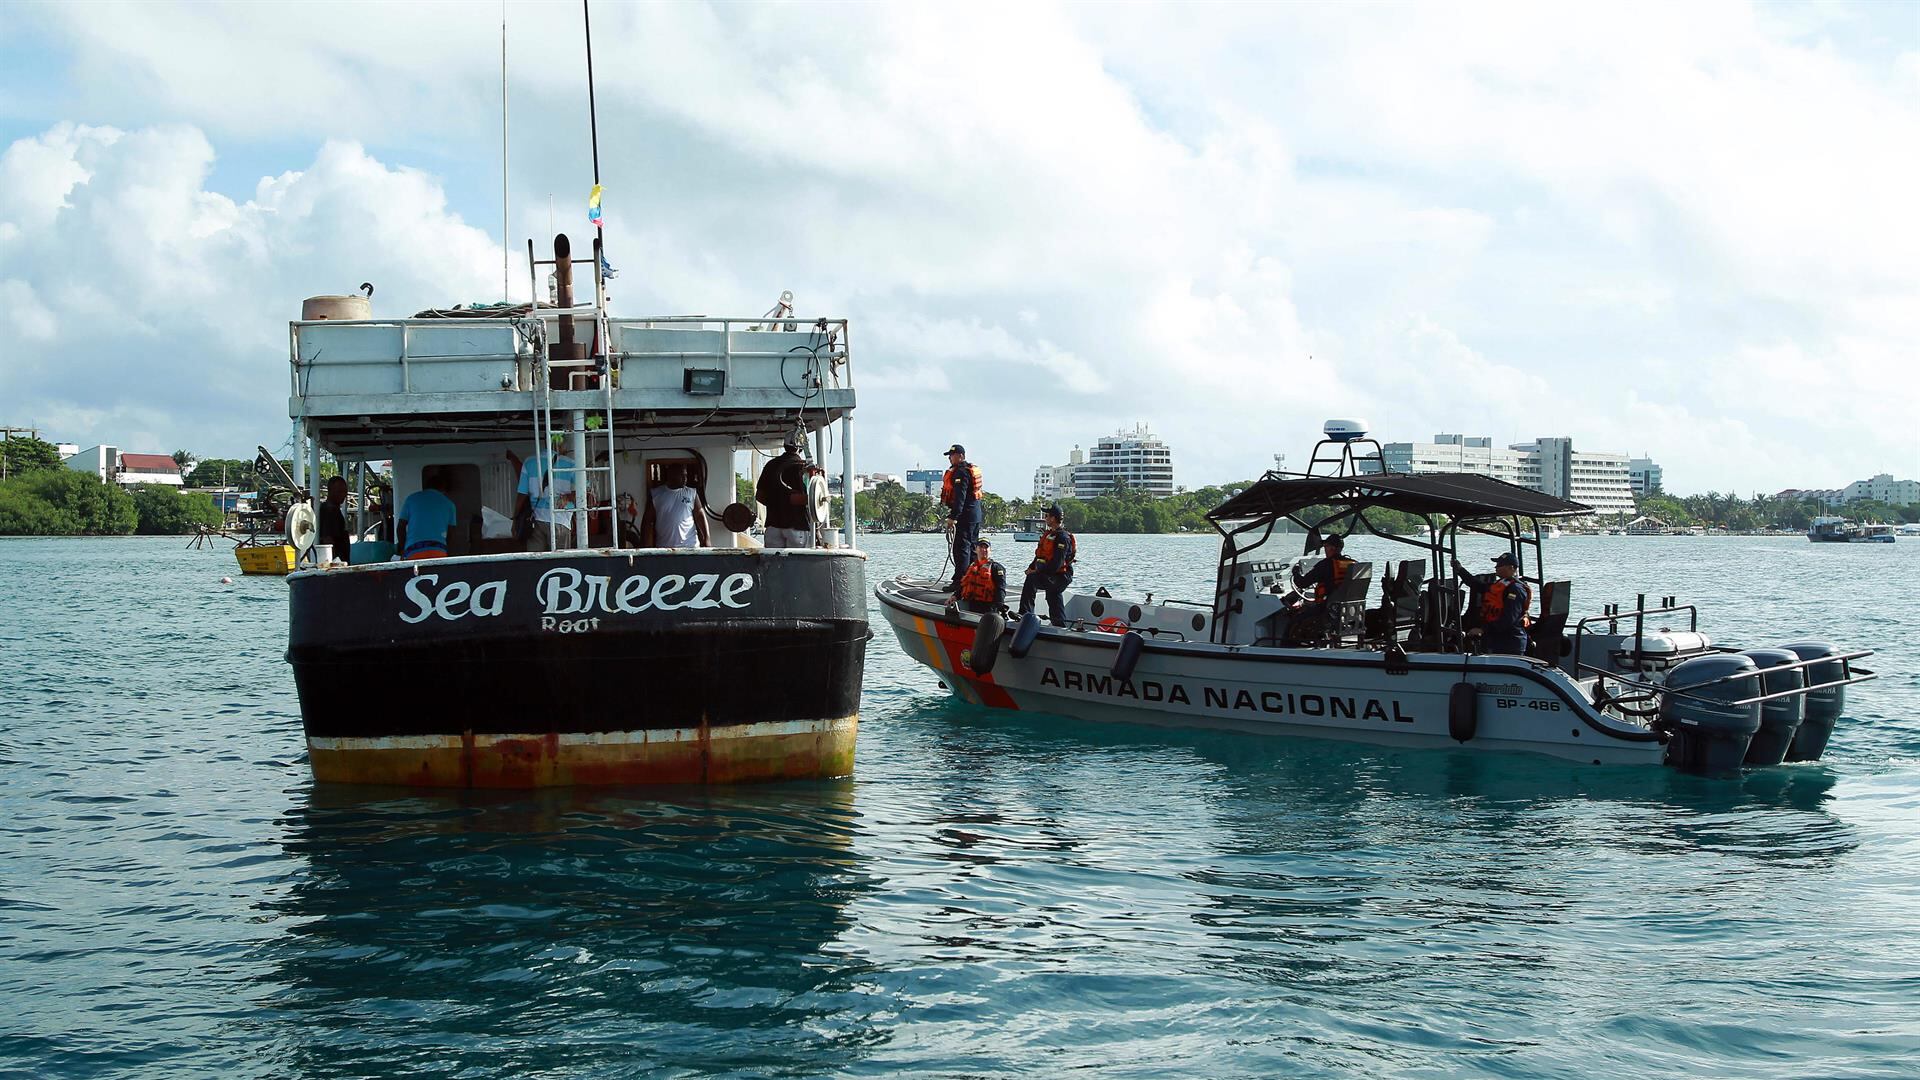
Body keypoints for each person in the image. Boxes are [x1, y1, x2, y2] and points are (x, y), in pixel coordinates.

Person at [1280, 534, 1356, 644]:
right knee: (1308, 606)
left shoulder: (1325, 565)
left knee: (1295, 620)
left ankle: (1284, 650)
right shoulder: (1352, 564)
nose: (1324, 549)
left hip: (1327, 610)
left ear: (1332, 548)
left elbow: (1302, 583)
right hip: (1349, 611)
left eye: (1326, 547)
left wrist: (1295, 572)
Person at [1455, 551, 1531, 655]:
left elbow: (1509, 619)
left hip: (1510, 643)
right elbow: (1478, 585)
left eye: (1500, 565)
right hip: (1497, 641)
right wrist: (1460, 570)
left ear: (1511, 568)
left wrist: (1482, 630)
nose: (1496, 567)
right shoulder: (1500, 585)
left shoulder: (1515, 589)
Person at [515, 435, 577, 550]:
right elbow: (585, 491)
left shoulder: (529, 462)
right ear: (559, 444)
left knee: (536, 562)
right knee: (559, 563)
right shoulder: (570, 463)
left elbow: (522, 494)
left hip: (536, 521)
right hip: (560, 520)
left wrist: (515, 518)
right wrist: (568, 497)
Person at [1019, 503, 1075, 626]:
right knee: (1052, 595)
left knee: (1034, 580)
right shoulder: (1049, 535)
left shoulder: (1062, 538)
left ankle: (1025, 615)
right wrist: (1031, 567)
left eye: (1047, 516)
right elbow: (1040, 556)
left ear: (1053, 518)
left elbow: (1057, 563)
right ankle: (1058, 625)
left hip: (1061, 577)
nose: (1045, 518)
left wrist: (1037, 572)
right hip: (1050, 575)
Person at [755, 436, 813, 549]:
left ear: (784, 446)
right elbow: (811, 498)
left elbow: (759, 496)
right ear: (800, 448)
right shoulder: (803, 467)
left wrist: (776, 503)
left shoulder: (770, 465)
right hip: (797, 526)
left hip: (773, 527)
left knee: (773, 564)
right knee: (797, 563)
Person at [941, 443, 983, 592]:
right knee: (971, 548)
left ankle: (960, 581)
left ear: (961, 456)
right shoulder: (966, 470)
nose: (950, 459)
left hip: (966, 516)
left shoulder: (961, 473)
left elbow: (960, 497)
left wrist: (953, 517)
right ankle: (972, 580)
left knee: (961, 549)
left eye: (952, 456)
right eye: (949, 456)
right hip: (975, 515)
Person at [396, 467, 458, 560]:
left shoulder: (412, 499)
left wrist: (402, 549)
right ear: (443, 489)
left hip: (413, 549)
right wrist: (449, 554)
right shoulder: (449, 504)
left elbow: (400, 527)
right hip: (438, 548)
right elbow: (451, 534)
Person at [643, 462, 708, 549]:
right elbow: (648, 521)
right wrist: (647, 546)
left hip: (690, 546)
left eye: (686, 475)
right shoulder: (656, 494)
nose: (686, 478)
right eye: (682, 475)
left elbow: (700, 515)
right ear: (672, 475)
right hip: (665, 549)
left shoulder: (692, 493)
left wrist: (707, 539)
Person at [949, 538, 1006, 615]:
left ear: (990, 550)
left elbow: (1000, 589)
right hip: (971, 603)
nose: (983, 550)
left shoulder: (996, 568)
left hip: (987, 607)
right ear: (976, 550)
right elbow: (964, 584)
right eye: (981, 547)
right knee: (951, 609)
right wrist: (955, 596)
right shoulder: (971, 567)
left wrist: (1000, 605)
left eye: (986, 547)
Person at [316, 475, 353, 563]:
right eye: (339, 491)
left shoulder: (333, 510)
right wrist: (334, 563)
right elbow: (327, 539)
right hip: (336, 562)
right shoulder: (330, 511)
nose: (343, 495)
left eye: (345, 492)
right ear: (330, 491)